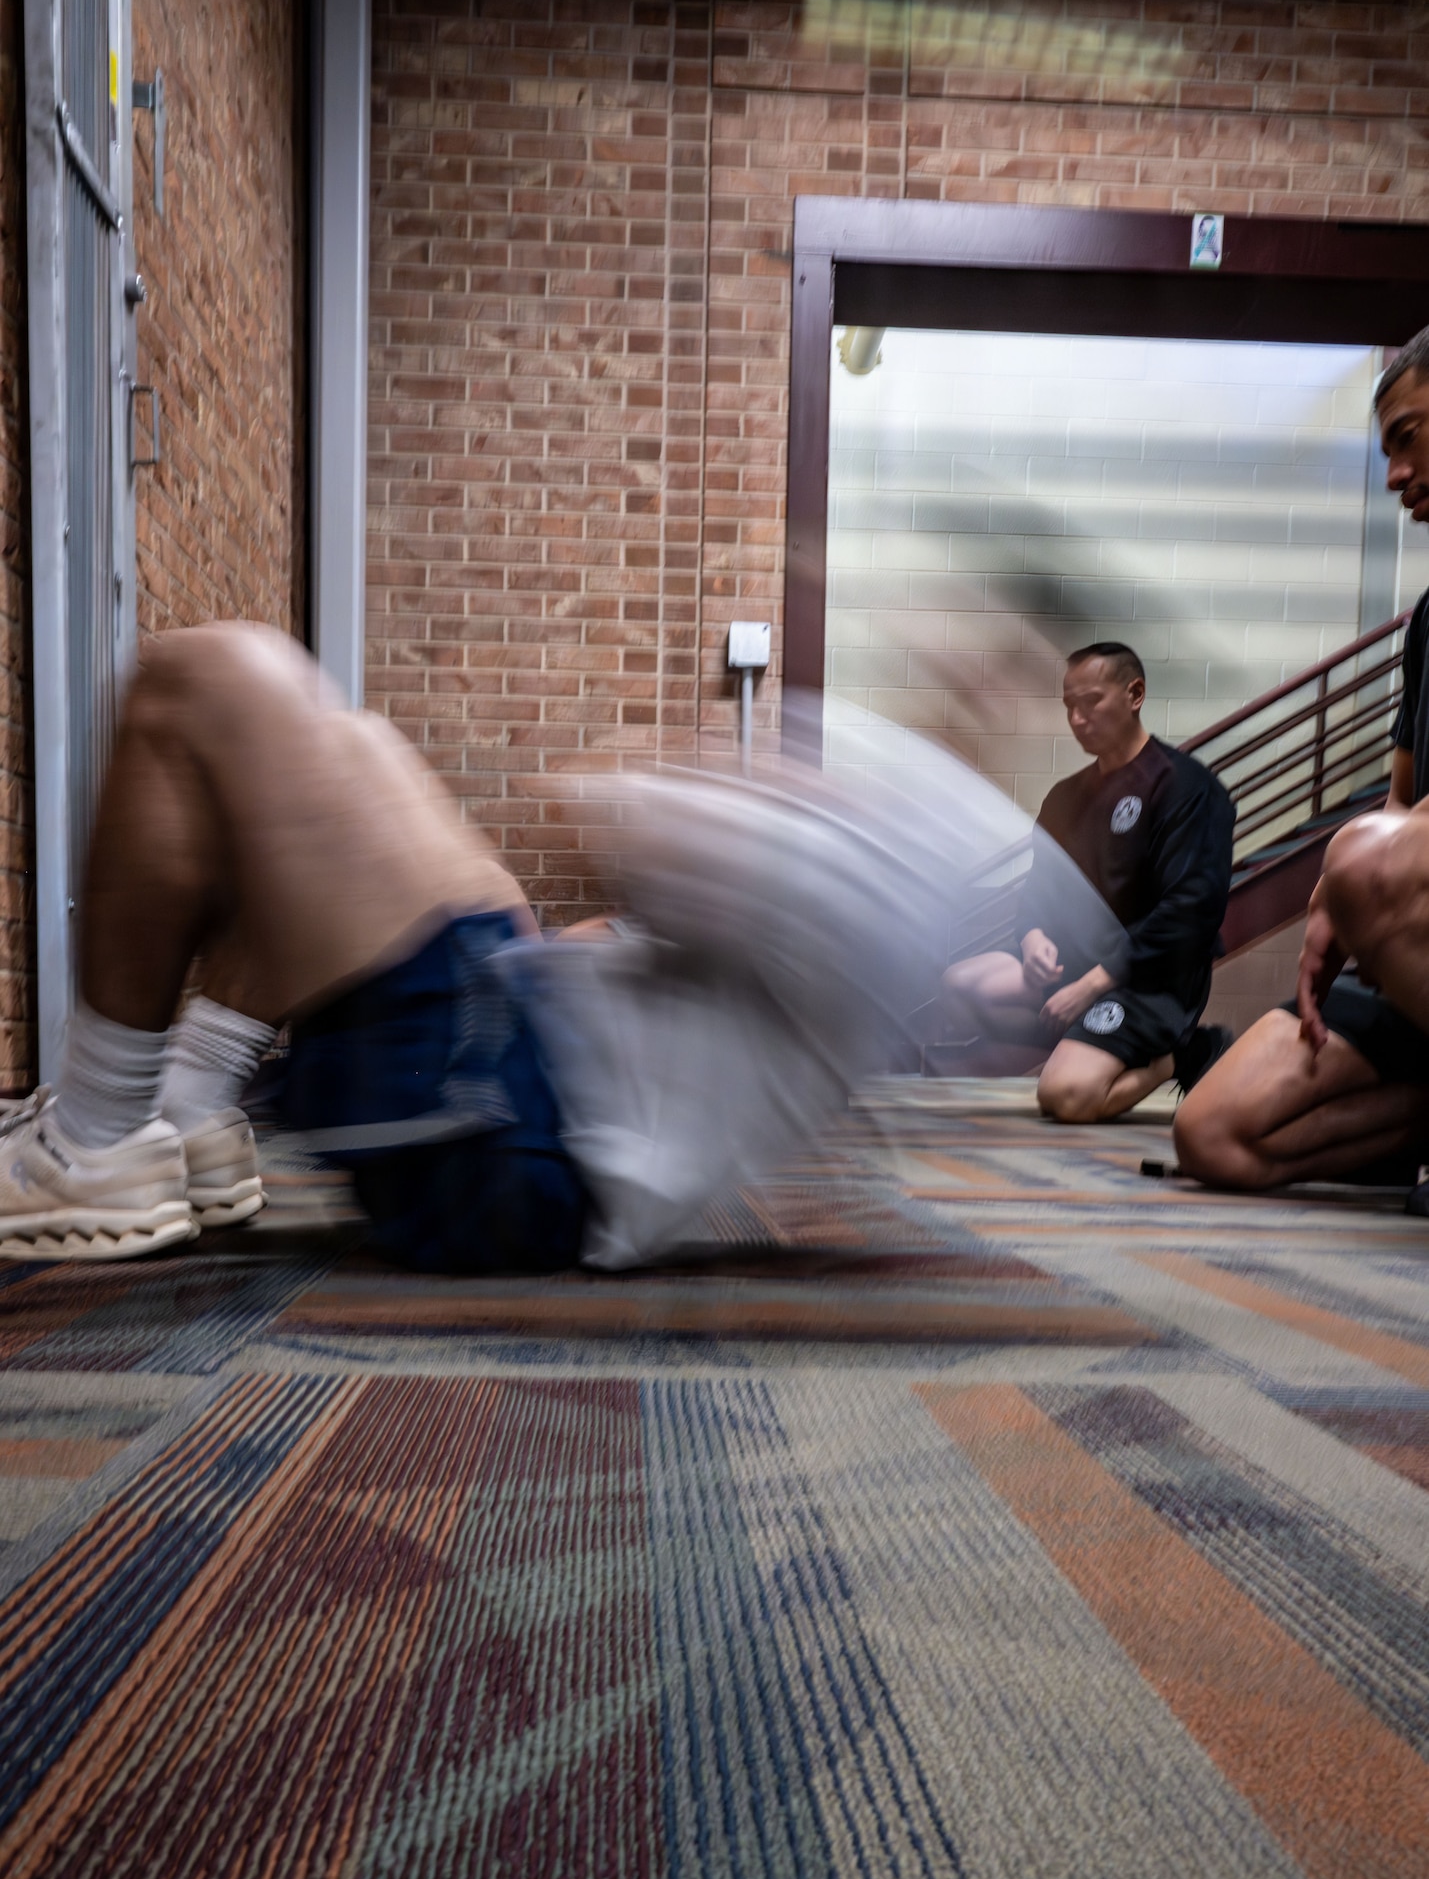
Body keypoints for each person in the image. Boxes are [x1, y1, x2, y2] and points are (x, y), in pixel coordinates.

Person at [0, 623, 1005, 1271]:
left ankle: (95, 1138)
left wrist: (721, 789)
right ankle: (189, 1112)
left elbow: (629, 832)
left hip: (504, 1142)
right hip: (518, 1078)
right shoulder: (907, 833)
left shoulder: (914, 849)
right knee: (349, 747)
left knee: (206, 676)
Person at [1177, 330, 1429, 1193]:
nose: (1393, 475)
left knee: (1357, 857)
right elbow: (1402, 802)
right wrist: (1335, 904)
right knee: (1210, 1135)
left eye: (1406, 438)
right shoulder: (1427, 621)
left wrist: (1358, 873)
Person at [941, 641, 1234, 1122]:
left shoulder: (1187, 788)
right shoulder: (1065, 797)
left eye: (1092, 701)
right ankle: (1087, 1039)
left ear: (1134, 694)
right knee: (961, 987)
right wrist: (1033, 939)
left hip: (1148, 981)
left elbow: (1190, 911)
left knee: (1066, 1098)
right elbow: (1038, 892)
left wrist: (1096, 982)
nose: (1077, 719)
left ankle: (1182, 1053)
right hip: (1072, 967)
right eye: (1069, 705)